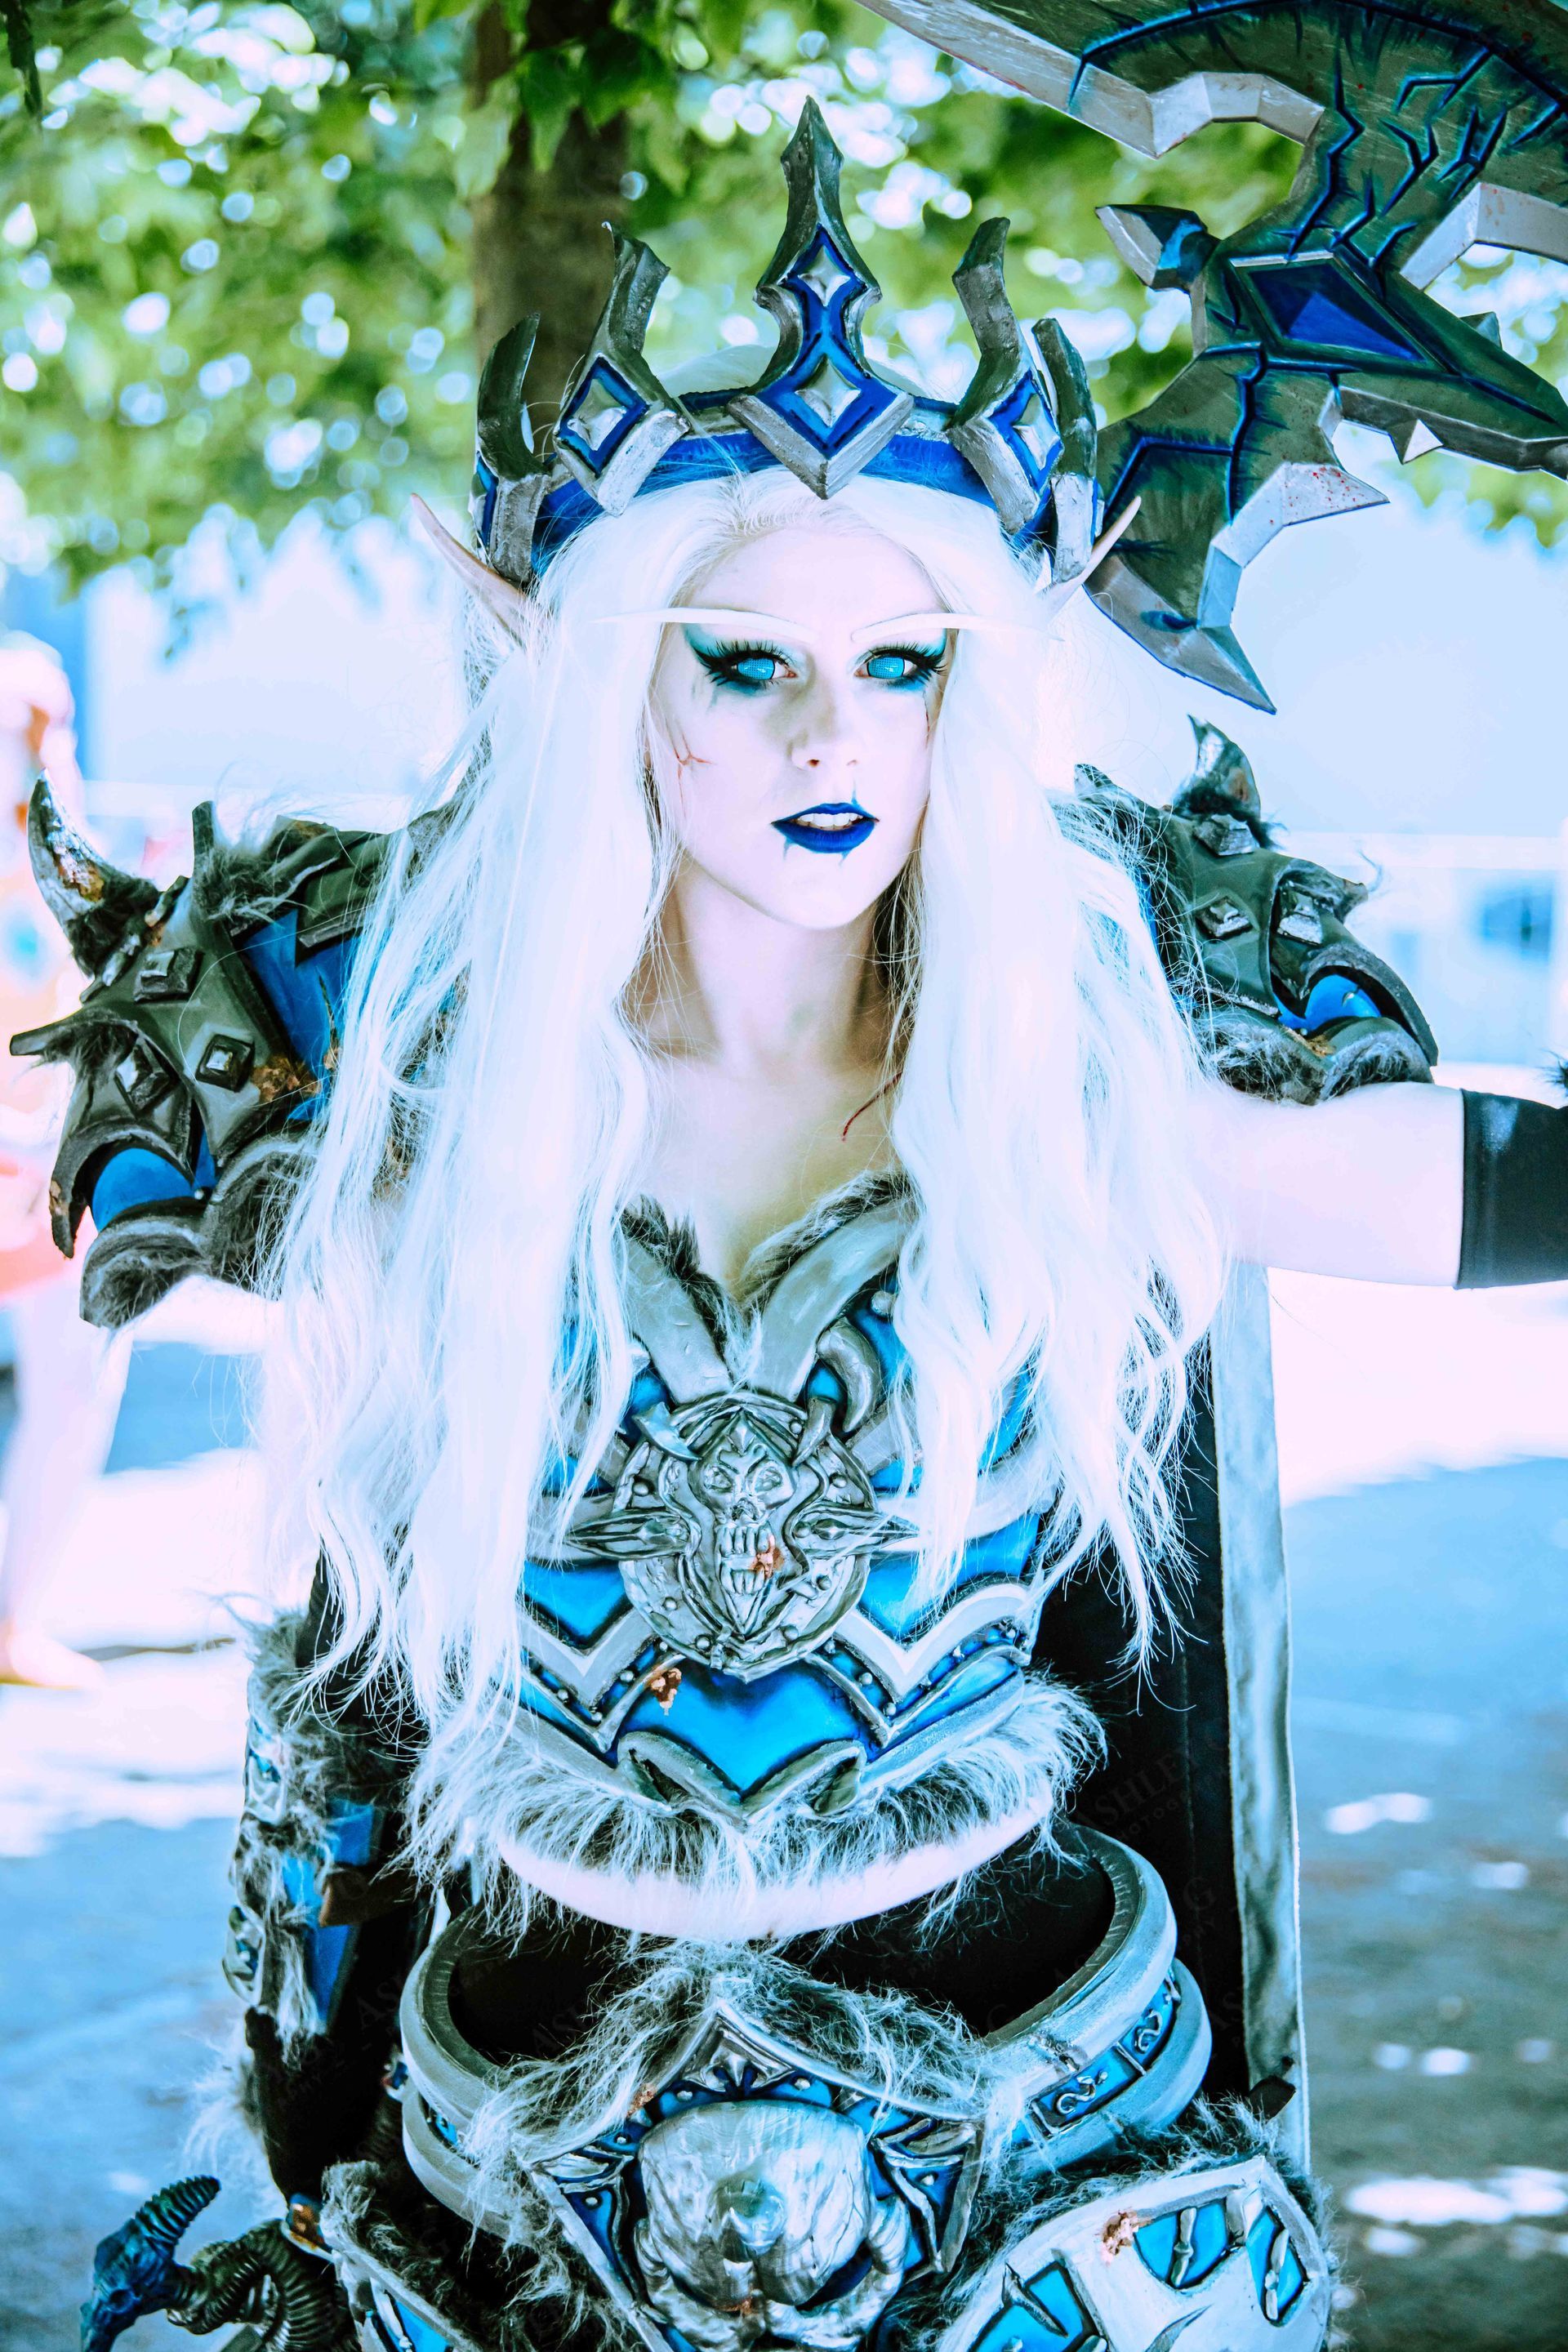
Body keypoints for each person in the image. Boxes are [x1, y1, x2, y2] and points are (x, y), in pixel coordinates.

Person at [44, 105, 1568, 2352]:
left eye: (906, 664)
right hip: (504, 2107)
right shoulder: (407, 1105)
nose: (831, 736)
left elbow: (1497, 1190)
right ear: (612, 681)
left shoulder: (1084, 1109)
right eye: (744, 662)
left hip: (1029, 2101)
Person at [0, 637, 129, 1690]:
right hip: (23, 1161)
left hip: (41, 1168)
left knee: (79, 1382)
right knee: (73, 1382)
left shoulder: (53, 869)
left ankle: (12, 1622)